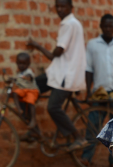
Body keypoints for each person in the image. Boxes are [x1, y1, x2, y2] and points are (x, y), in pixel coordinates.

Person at [26, 0, 87, 152]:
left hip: (66, 75)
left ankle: (78, 137)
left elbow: (56, 53)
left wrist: (37, 46)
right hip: (59, 72)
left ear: (70, 8)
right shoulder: (73, 23)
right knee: (28, 87)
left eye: (63, 6)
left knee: (53, 107)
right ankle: (33, 129)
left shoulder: (68, 24)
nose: (59, 9)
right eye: (57, 6)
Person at [82, 13, 113, 167]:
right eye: (105, 26)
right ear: (101, 27)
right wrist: (88, 91)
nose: (108, 28)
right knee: (93, 125)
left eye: (111, 26)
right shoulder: (92, 45)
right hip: (99, 92)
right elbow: (88, 69)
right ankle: (86, 158)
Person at [12, 52, 40, 132]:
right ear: (16, 63)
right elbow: (17, 80)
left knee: (30, 101)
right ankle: (19, 109)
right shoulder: (18, 73)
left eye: (24, 64)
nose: (21, 65)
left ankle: (33, 120)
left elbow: (30, 77)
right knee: (15, 93)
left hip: (32, 90)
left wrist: (28, 77)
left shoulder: (28, 71)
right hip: (24, 90)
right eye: (19, 63)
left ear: (28, 64)